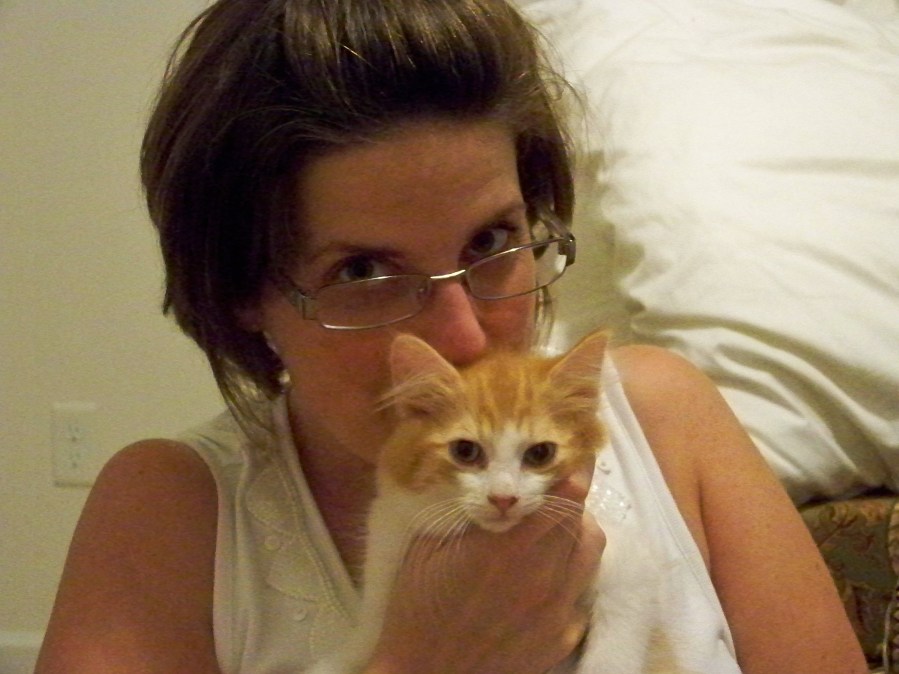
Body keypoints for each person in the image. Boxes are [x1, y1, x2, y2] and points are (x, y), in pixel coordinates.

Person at [36, 0, 867, 672]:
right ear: (241, 293)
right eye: (363, 270)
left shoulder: (665, 415)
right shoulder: (178, 511)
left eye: (491, 241)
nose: (464, 337)